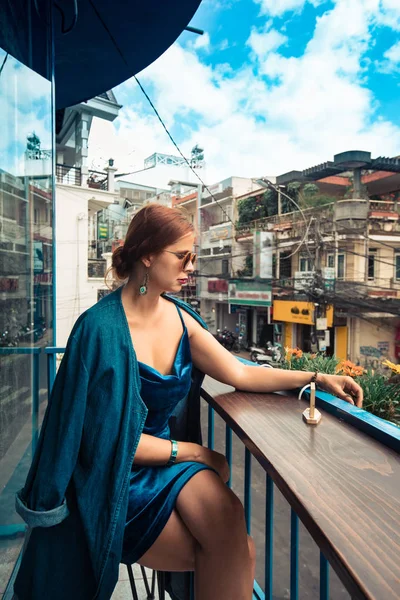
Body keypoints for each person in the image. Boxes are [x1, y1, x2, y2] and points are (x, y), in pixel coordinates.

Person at [14, 204, 363, 600]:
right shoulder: (98, 331)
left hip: (165, 465)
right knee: (239, 553)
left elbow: (241, 372)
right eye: (183, 256)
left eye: (192, 257)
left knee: (227, 516)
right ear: (147, 255)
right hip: (113, 477)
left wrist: (315, 378)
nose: (191, 266)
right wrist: (193, 452)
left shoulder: (181, 318)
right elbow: (107, 442)